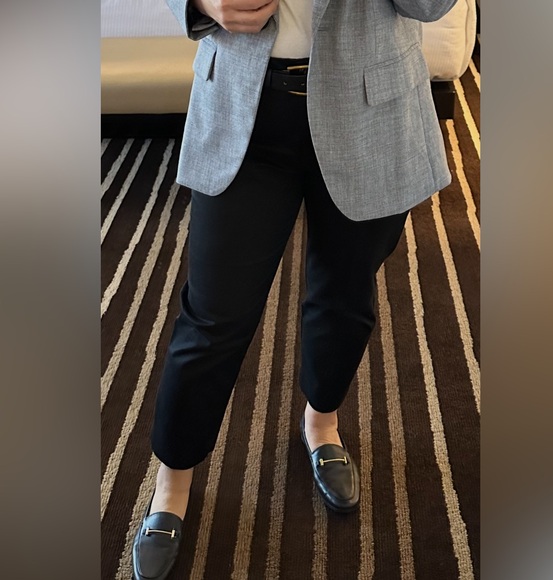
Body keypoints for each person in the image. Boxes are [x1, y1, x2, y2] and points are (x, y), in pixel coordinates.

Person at [131, 0, 457, 578]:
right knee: (214, 318)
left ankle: (322, 423)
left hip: (370, 109)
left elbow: (430, 6)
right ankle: (172, 480)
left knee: (345, 298)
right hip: (243, 107)